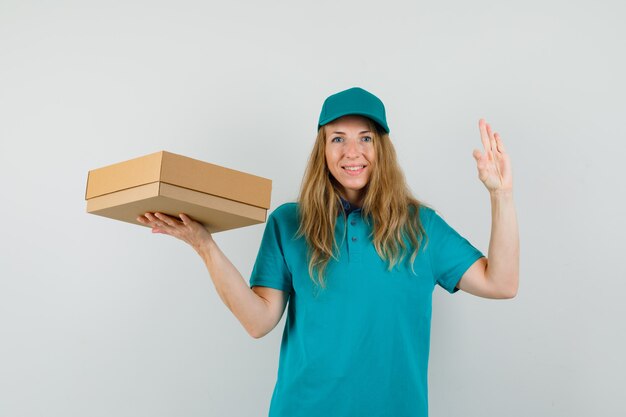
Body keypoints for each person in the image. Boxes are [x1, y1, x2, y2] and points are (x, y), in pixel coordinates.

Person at [137, 87, 519, 417]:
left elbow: (501, 283)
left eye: (365, 138)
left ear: (382, 148)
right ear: (322, 148)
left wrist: (501, 195)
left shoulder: (421, 226)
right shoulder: (288, 223)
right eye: (338, 138)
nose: (352, 152)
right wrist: (204, 245)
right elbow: (258, 321)